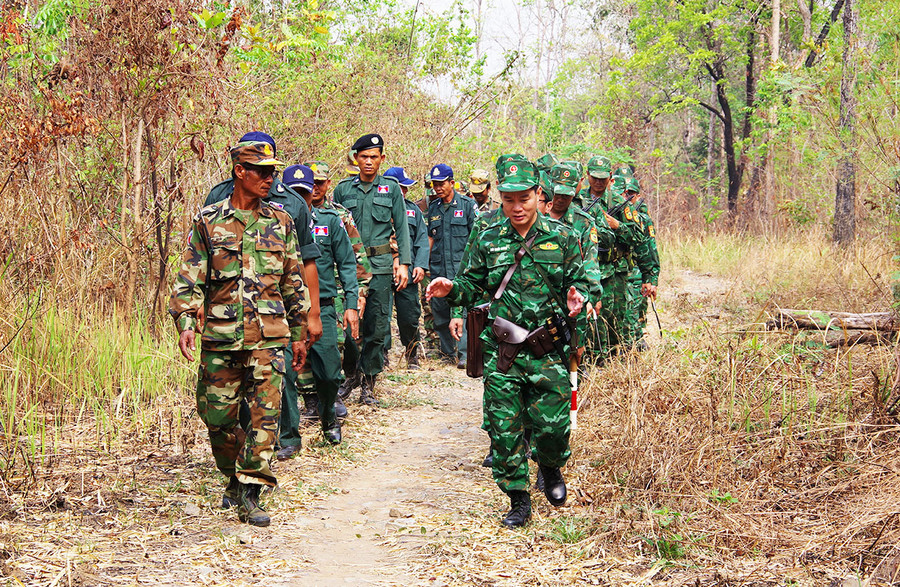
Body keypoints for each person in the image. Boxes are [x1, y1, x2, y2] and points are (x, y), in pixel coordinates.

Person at [427, 158, 588, 528]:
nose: (516, 208)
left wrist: (580, 296)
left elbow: (583, 280)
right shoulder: (487, 237)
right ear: (500, 198)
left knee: (553, 427)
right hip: (505, 349)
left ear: (538, 196)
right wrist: (452, 290)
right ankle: (518, 498)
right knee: (504, 428)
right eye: (509, 199)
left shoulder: (562, 237)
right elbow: (471, 285)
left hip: (548, 348)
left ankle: (549, 467)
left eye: (524, 199)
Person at [169, 140, 308, 527]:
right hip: (220, 334)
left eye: (272, 172)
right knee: (218, 417)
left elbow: (293, 281)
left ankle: (250, 489)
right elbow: (188, 280)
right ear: (239, 171)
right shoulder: (209, 220)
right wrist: (185, 323)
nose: (269, 178)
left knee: (266, 417)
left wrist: (299, 333)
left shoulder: (281, 222)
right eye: (260, 171)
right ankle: (233, 475)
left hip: (269, 336)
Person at [282, 164, 359, 445]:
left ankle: (328, 416)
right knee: (287, 374)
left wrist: (352, 301)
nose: (305, 195)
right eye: (298, 191)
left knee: (328, 373)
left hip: (323, 306)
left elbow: (347, 262)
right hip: (287, 309)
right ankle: (289, 436)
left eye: (309, 189)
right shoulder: (275, 222)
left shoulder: (330, 218)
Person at [332, 133, 412, 405]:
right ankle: (351, 374)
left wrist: (403, 263)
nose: (368, 162)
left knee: (377, 326)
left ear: (382, 159)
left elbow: (402, 228)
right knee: (349, 327)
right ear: (356, 158)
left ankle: (369, 381)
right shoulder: (343, 190)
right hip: (349, 269)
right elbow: (334, 227)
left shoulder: (390, 189)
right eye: (363, 157)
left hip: (379, 268)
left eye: (373, 157)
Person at [304, 160, 372, 404]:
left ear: (328, 184)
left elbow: (356, 255)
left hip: (339, 290)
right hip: (309, 291)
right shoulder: (294, 213)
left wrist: (360, 292)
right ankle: (319, 397)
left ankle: (348, 380)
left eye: (320, 183)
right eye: (310, 183)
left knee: (345, 341)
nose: (314, 188)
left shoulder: (339, 215)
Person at [426, 163, 477, 368]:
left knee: (463, 310)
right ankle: (447, 352)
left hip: (461, 268)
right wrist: (424, 264)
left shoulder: (466, 205)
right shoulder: (433, 208)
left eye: (441, 184)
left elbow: (476, 238)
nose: (437, 188)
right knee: (439, 310)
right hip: (439, 267)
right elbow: (431, 238)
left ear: (452, 183)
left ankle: (464, 354)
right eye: (435, 184)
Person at [383, 166, 429, 369]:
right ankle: (380, 356)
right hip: (382, 270)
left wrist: (420, 265)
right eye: (401, 187)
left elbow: (421, 240)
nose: (405, 192)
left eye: (405, 188)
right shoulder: (378, 208)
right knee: (380, 317)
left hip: (407, 272)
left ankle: (412, 355)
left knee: (409, 315)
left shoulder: (413, 210)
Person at [622, 176, 659, 349]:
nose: (627, 197)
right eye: (624, 193)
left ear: (637, 196)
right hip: (619, 271)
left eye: (631, 194)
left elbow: (651, 250)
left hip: (637, 271)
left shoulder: (642, 218)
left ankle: (636, 342)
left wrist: (652, 278)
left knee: (636, 311)